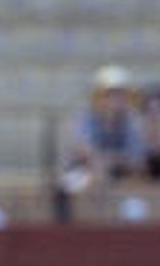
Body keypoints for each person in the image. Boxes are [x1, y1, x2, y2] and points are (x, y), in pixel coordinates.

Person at [59, 64, 147, 194]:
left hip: (119, 176)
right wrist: (105, 163)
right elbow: (85, 152)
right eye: (110, 95)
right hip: (84, 174)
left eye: (121, 95)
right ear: (99, 98)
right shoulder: (86, 118)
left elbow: (137, 160)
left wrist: (110, 162)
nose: (117, 100)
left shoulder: (131, 121)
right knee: (77, 182)